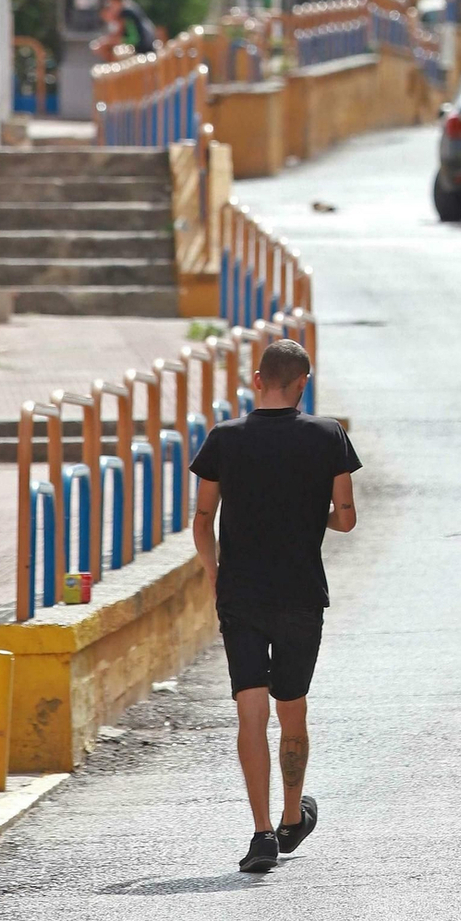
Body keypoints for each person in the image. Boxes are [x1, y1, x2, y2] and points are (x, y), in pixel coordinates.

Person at [189, 338, 360, 874]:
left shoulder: (224, 440)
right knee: (292, 707)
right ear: (302, 384)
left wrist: (216, 575)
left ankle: (260, 832)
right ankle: (292, 819)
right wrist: (311, 519)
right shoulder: (328, 436)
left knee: (250, 711)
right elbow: (347, 517)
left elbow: (202, 519)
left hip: (241, 593)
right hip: (301, 593)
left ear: (256, 380)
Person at [93, 0, 157, 60]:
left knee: (116, 52)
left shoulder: (127, 13)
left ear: (116, 1)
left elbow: (134, 39)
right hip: (144, 48)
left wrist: (110, 41)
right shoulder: (129, 9)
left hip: (142, 50)